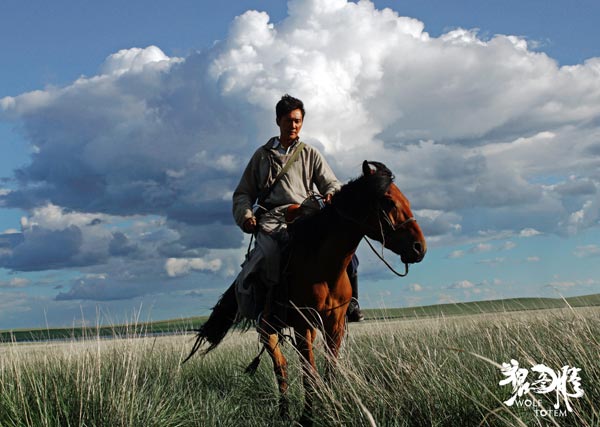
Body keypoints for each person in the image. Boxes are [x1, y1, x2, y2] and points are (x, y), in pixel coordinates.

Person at [232, 94, 363, 323]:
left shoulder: (309, 153)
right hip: (272, 219)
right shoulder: (262, 156)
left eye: (297, 120)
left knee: (345, 253)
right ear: (278, 121)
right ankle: (268, 311)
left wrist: (332, 191)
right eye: (289, 120)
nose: (293, 125)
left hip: (306, 214)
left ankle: (351, 303)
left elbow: (330, 182)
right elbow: (243, 193)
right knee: (269, 258)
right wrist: (245, 216)